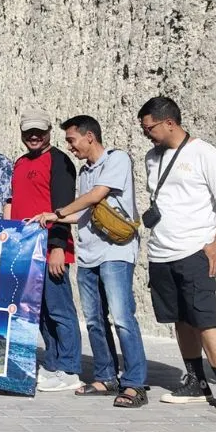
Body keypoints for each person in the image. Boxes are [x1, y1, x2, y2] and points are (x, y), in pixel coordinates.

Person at [33, 116, 148, 408]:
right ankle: (105, 376)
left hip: (116, 252)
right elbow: (83, 213)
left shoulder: (117, 159)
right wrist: (49, 217)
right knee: (95, 320)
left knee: (122, 318)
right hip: (89, 254)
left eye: (72, 140)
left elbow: (97, 196)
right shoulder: (85, 171)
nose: (70, 146)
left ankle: (134, 383)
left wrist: (57, 212)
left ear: (89, 137)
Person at [138, 97, 216, 415]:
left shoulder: (204, 153)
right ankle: (196, 382)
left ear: (169, 122)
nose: (147, 135)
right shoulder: (151, 157)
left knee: (204, 319)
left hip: (194, 250)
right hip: (161, 252)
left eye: (149, 128)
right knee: (180, 319)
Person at [4, 110, 80, 392]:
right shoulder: (20, 163)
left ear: (49, 131)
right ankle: (53, 362)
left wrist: (58, 247)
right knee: (39, 312)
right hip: (26, 251)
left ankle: (70, 368)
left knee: (60, 309)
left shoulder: (59, 161)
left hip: (50, 248)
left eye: (39, 131)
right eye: (28, 132)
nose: (34, 136)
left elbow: (63, 207)